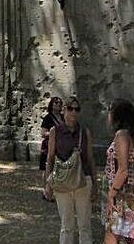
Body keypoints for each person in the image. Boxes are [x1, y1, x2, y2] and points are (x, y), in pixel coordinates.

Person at [44, 96, 97, 244]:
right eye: (70, 108)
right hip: (63, 181)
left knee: (84, 224)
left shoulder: (85, 132)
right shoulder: (55, 131)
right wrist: (48, 184)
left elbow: (90, 159)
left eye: (77, 109)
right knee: (66, 224)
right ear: (64, 110)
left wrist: (95, 184)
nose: (73, 112)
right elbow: (50, 158)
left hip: (83, 181)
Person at [103, 98, 134, 244]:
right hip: (133, 193)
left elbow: (123, 170)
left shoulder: (122, 135)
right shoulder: (132, 136)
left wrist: (111, 194)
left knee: (112, 237)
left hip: (122, 194)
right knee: (132, 238)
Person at [40, 97, 64, 199]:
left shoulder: (63, 117)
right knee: (47, 168)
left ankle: (55, 190)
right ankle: (46, 190)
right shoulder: (48, 118)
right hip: (48, 145)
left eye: (59, 103)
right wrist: (53, 133)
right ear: (51, 105)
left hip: (61, 145)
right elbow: (43, 133)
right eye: (56, 103)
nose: (58, 105)